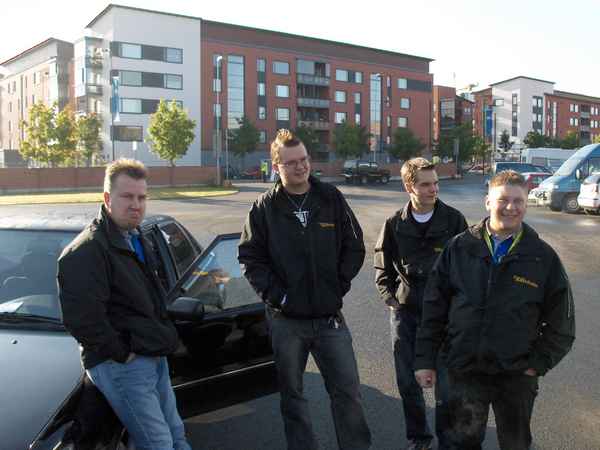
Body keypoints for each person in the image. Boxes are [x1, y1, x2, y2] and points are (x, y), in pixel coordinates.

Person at [415, 170, 576, 450]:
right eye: (503, 199)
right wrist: (425, 360)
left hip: (516, 375)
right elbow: (433, 309)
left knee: (515, 444)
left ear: (526, 204)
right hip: (462, 370)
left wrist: (537, 363)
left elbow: (563, 321)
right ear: (488, 202)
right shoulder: (460, 248)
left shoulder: (542, 257)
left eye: (518, 201)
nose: (511, 207)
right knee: (458, 444)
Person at [238, 129, 371, 450]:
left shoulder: (330, 198)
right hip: (286, 323)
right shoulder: (264, 208)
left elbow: (354, 246)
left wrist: (337, 286)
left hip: (329, 318)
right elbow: (250, 258)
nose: (300, 167)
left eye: (304, 159)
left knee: (348, 392)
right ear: (276, 166)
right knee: (293, 398)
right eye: (291, 162)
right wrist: (279, 298)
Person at [58, 159, 192, 450]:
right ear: (107, 198)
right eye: (127, 196)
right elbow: (82, 320)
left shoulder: (137, 237)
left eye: (142, 197)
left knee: (175, 434)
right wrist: (123, 354)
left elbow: (150, 299)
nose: (136, 205)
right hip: (123, 364)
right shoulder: (86, 250)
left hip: (152, 353)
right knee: (158, 443)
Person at [374, 157, 468, 450]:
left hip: (444, 317)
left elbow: (468, 266)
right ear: (408, 187)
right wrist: (390, 298)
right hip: (407, 315)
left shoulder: (454, 220)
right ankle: (419, 437)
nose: (433, 189)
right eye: (426, 184)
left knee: (447, 387)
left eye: (435, 183)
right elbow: (381, 264)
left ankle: (447, 441)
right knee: (407, 383)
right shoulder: (394, 223)